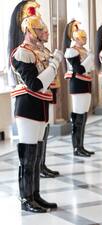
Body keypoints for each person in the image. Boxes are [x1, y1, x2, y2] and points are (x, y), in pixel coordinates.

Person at [9, 1, 63, 213]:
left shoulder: (40, 51)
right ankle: (26, 198)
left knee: (38, 154)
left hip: (40, 106)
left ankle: (36, 195)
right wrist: (55, 63)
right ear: (30, 31)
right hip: (28, 107)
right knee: (28, 156)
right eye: (40, 29)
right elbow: (36, 83)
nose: (44, 31)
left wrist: (52, 62)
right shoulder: (22, 53)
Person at [63, 20, 95, 157]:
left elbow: (89, 68)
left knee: (83, 115)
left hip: (85, 83)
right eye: (83, 37)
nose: (85, 39)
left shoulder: (84, 50)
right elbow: (80, 69)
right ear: (76, 38)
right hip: (77, 84)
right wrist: (91, 57)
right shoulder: (71, 51)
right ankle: (76, 147)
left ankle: (81, 145)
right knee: (78, 116)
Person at [36, 21, 60, 178]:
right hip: (37, 93)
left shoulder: (44, 50)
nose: (47, 33)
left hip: (48, 91)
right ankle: (38, 165)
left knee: (45, 130)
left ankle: (42, 163)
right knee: (38, 135)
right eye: (42, 30)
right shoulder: (33, 52)